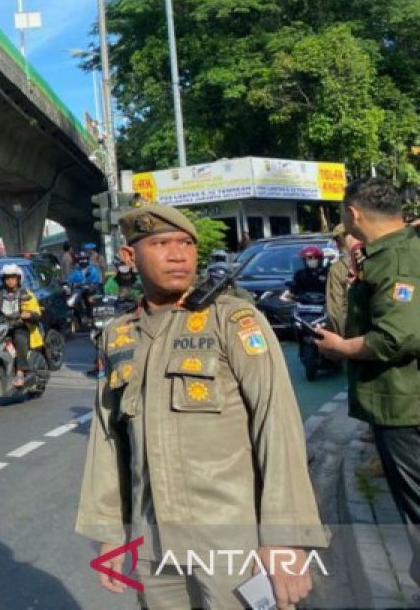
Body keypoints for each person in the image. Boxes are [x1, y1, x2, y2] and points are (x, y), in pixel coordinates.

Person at [77, 203, 325, 610]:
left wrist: (285, 537)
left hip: (231, 541)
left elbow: (276, 425)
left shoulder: (232, 321)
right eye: (161, 244)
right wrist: (111, 533)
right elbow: (109, 442)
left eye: (186, 244)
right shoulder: (118, 337)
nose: (178, 255)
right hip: (153, 541)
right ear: (128, 257)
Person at [315, 178, 420, 587]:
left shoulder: (396, 260)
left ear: (353, 214)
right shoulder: (390, 253)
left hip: (404, 403)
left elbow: (398, 335)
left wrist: (342, 346)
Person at [0, 263, 43, 388]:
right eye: (7, 278)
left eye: (13, 278)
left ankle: (21, 372)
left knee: (19, 338)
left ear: (19, 279)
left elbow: (36, 313)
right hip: (1, 327)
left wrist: (28, 315)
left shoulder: (26, 294)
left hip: (21, 327)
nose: (10, 281)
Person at [326, 225, 356, 336]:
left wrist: (342, 342)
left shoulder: (337, 269)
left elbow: (336, 311)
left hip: (352, 336)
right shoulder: (377, 260)